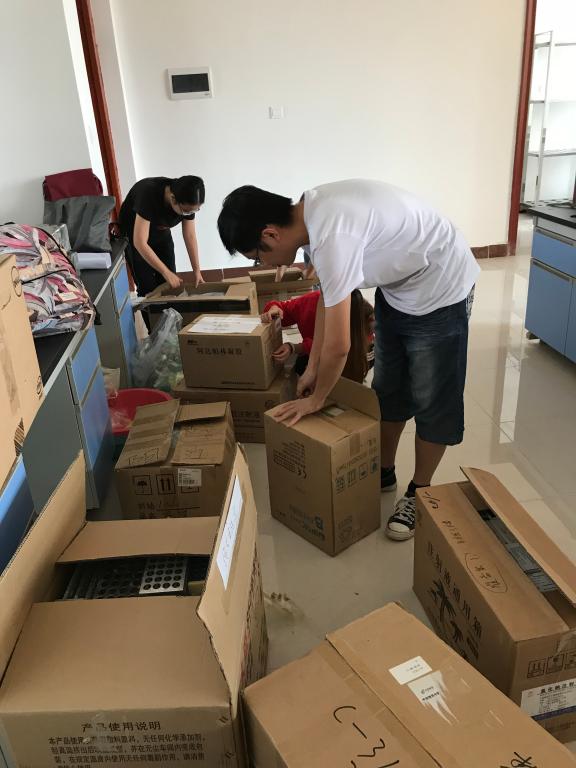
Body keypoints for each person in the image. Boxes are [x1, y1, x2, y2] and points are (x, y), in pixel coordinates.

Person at [217, 180, 479, 542]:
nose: (265, 265)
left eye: (257, 257)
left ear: (271, 234)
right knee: (388, 388)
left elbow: (340, 345)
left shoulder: (331, 236)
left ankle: (419, 492)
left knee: (432, 398)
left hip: (441, 291)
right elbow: (329, 298)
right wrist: (312, 368)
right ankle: (384, 471)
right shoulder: (309, 215)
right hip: (400, 289)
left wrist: (317, 399)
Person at [119, 175, 205, 296]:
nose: (189, 214)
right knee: (147, 286)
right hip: (135, 232)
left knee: (169, 283)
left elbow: (189, 235)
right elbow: (140, 242)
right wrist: (165, 272)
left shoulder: (187, 200)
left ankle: (168, 308)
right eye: (186, 211)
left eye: (194, 211)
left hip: (160, 230)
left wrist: (196, 271)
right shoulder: (148, 194)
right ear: (173, 199)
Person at [262, 288, 374, 381]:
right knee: (301, 366)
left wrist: (295, 347)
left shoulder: (362, 319)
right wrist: (274, 309)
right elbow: (281, 310)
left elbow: (333, 348)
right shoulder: (310, 302)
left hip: (347, 359)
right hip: (318, 355)